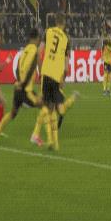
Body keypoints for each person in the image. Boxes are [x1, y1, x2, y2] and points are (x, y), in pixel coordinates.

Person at [0, 28, 41, 144]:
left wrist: (19, 82)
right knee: (45, 106)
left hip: (17, 88)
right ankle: (35, 135)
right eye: (39, 38)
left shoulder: (24, 50)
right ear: (37, 38)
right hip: (26, 90)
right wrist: (24, 84)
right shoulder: (35, 50)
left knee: (13, 113)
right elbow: (31, 69)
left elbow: (18, 68)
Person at [40, 12, 69, 151]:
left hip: (46, 73)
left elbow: (40, 51)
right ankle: (54, 141)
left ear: (55, 21)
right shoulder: (66, 39)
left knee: (47, 107)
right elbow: (66, 64)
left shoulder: (48, 32)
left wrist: (40, 68)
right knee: (54, 106)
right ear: (64, 23)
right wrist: (64, 77)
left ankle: (49, 139)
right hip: (57, 76)